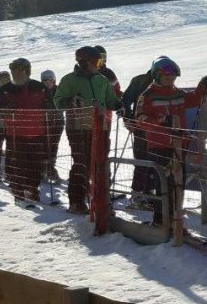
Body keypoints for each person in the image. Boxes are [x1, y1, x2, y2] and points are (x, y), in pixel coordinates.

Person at [134, 57, 207, 228]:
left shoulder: (176, 93)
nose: (170, 80)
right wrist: (162, 120)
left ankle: (174, 220)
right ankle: (161, 220)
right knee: (164, 184)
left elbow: (193, 100)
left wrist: (202, 88)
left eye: (172, 78)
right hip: (159, 145)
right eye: (166, 77)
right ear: (156, 76)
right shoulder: (148, 95)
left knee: (178, 183)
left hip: (179, 145)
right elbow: (140, 118)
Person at [54, 46, 121, 214]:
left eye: (101, 61)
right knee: (82, 162)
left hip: (101, 126)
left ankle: (100, 200)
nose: (100, 65)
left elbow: (111, 100)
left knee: (100, 163)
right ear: (84, 62)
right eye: (97, 62)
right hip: (77, 126)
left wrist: (120, 105)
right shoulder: (69, 80)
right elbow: (57, 102)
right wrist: (70, 102)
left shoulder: (102, 80)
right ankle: (77, 201)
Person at [0, 58, 52, 207]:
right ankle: (18, 192)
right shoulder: (7, 89)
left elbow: (51, 106)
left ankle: (32, 189)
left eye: (18, 70)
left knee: (36, 164)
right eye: (13, 70)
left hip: (37, 131)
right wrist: (5, 110)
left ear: (26, 71)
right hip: (15, 133)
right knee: (18, 163)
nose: (14, 73)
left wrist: (48, 108)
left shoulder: (39, 87)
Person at [122, 61, 158, 207]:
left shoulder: (167, 85)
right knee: (142, 159)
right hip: (141, 127)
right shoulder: (140, 81)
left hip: (158, 130)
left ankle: (150, 192)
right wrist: (129, 118)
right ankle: (137, 193)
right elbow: (126, 99)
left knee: (155, 160)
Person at [41, 70, 65, 182]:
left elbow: (64, 104)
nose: (48, 82)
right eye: (45, 80)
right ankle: (45, 170)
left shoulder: (60, 90)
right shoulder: (40, 91)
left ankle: (50, 168)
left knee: (54, 145)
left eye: (50, 80)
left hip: (58, 122)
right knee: (45, 145)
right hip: (44, 122)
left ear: (54, 80)